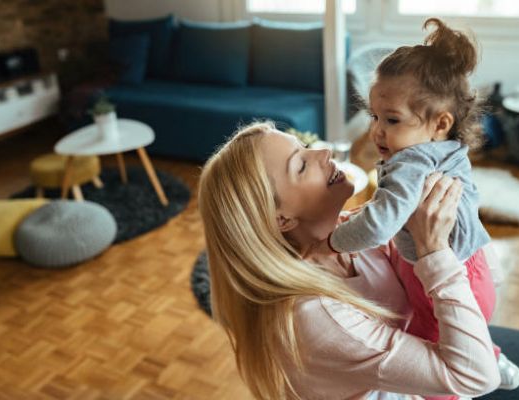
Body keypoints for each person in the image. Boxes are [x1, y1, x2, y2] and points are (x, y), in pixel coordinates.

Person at [198, 121, 500, 400]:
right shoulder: (312, 315)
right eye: (301, 165)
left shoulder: (351, 231)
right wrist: (435, 252)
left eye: (303, 147)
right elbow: (476, 376)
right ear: (282, 218)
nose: (324, 152)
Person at [323, 19, 519, 397]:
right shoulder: (443, 150)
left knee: (433, 347)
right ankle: (492, 353)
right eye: (375, 117)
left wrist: (334, 241)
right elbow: (392, 212)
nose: (377, 131)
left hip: (446, 275)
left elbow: (381, 224)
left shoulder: (411, 162)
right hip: (468, 267)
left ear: (440, 124)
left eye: (392, 119)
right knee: (458, 327)